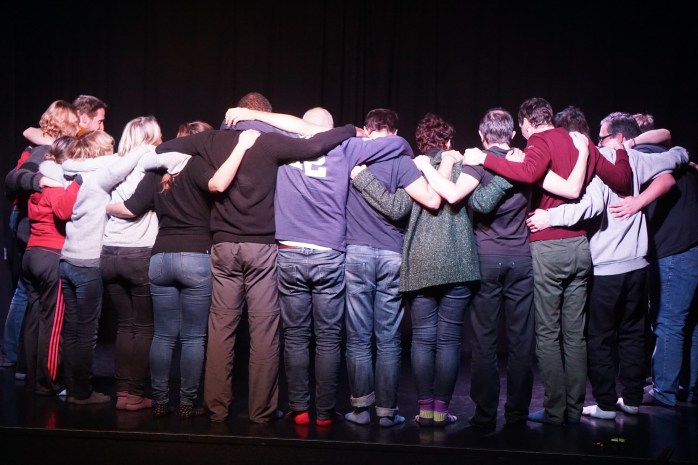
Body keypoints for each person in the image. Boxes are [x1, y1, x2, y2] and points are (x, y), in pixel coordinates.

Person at [155, 115, 357, 424]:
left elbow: (163, 149)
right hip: (260, 247)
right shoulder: (269, 142)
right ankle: (261, 411)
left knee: (221, 329)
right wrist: (349, 130)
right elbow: (315, 145)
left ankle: (217, 409)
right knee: (264, 330)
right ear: (258, 117)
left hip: (223, 246)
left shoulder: (209, 141)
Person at [225, 106, 418, 427]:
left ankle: (300, 408)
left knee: (295, 336)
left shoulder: (283, 141)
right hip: (329, 253)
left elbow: (233, 123)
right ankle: (326, 412)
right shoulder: (345, 147)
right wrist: (356, 133)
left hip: (289, 251)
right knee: (328, 338)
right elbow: (398, 144)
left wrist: (246, 111)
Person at [463, 97, 632, 425]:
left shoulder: (538, 144)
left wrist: (484, 157)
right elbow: (620, 181)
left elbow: (529, 174)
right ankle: (569, 409)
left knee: (546, 334)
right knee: (574, 335)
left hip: (546, 247)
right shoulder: (580, 141)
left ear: (527, 124)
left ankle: (552, 412)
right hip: (579, 247)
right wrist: (621, 149)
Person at [527, 110, 688, 419]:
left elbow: (590, 205)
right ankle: (632, 400)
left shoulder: (597, 160)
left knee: (599, 338)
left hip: (606, 267)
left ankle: (604, 405)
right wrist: (682, 156)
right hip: (638, 264)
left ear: (615, 137)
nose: (597, 141)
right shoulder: (637, 159)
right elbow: (676, 155)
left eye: (601, 137)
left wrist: (550, 217)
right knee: (633, 334)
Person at [107, 127, 260, 418]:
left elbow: (132, 207)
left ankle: (160, 401)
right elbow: (219, 186)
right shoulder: (198, 165)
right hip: (195, 258)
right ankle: (188, 404)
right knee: (192, 338)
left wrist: (100, 206)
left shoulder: (156, 172)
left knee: (163, 335)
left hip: (160, 259)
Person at [55, 130, 155, 405]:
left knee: (72, 329)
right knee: (87, 332)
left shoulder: (73, 175)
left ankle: (72, 389)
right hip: (87, 263)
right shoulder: (99, 178)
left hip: (67, 259)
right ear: (101, 152)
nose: (115, 151)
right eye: (110, 147)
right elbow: (123, 163)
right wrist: (146, 145)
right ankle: (82, 393)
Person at [609, 114, 698, 408]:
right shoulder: (676, 157)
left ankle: (665, 391)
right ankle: (686, 386)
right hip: (691, 245)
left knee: (668, 321)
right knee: (689, 322)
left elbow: (665, 181)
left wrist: (636, 203)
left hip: (675, 250)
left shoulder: (645, 157)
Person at [3, 100, 81, 383]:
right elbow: (13, 179)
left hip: (36, 239)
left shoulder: (49, 148)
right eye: (75, 124)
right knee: (38, 305)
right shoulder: (42, 152)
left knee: (32, 303)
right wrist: (40, 182)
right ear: (66, 125)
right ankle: (39, 375)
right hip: (39, 239)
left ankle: (28, 370)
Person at [100, 116, 163, 411]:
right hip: (138, 251)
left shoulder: (115, 163)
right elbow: (136, 207)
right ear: (150, 137)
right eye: (158, 135)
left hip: (109, 250)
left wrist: (107, 206)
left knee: (125, 325)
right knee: (144, 327)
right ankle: (135, 394)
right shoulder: (151, 160)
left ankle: (123, 392)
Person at [23, 95, 107, 144]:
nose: (102, 128)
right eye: (100, 122)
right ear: (85, 118)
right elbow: (28, 132)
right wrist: (58, 147)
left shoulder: (86, 140)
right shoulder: (66, 134)